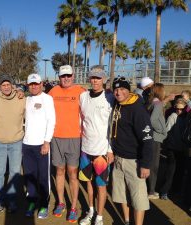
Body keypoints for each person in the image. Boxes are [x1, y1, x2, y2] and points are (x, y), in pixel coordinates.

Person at [110, 77, 153, 225]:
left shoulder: (137, 109)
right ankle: (127, 221)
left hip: (134, 161)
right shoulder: (117, 104)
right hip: (118, 158)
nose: (118, 92)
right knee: (121, 194)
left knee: (138, 198)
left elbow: (147, 139)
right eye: (116, 89)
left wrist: (146, 164)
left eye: (122, 89)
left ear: (129, 90)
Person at [48, 65, 85, 223]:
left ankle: (73, 207)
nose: (66, 78)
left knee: (72, 174)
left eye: (68, 75)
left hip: (74, 138)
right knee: (59, 171)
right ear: (59, 77)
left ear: (73, 75)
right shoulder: (53, 92)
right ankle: (61, 203)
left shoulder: (81, 92)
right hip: (56, 138)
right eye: (63, 76)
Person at [78, 66, 114, 225]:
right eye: (93, 77)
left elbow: (114, 127)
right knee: (88, 183)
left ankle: (99, 217)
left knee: (101, 185)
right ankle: (90, 211)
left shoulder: (110, 97)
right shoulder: (83, 96)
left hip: (102, 150)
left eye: (98, 78)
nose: (95, 81)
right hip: (85, 149)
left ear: (104, 79)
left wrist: (110, 149)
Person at [0, 74, 26, 213]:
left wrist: (21, 92)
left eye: (8, 84)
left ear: (12, 86)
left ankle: (11, 200)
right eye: (3, 85)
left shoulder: (21, 99)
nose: (6, 87)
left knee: (14, 173)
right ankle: (1, 199)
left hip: (16, 142)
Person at [23, 74, 55, 219]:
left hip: (42, 145)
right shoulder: (26, 99)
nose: (34, 86)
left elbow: (51, 121)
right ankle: (31, 202)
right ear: (27, 85)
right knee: (29, 176)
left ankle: (44, 204)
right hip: (27, 144)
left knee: (43, 177)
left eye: (36, 83)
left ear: (41, 84)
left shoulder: (47, 99)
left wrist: (47, 141)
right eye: (31, 84)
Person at [160, 98, 188, 200]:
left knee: (180, 171)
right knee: (171, 170)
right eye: (177, 108)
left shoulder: (186, 117)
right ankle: (164, 191)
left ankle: (176, 190)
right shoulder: (172, 116)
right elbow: (166, 130)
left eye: (181, 109)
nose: (179, 111)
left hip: (182, 148)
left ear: (185, 108)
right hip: (173, 147)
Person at [146, 83, 167, 199]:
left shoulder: (150, 103)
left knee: (149, 163)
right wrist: (161, 130)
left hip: (149, 136)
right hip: (155, 137)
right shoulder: (158, 103)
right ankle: (151, 191)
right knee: (154, 165)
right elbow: (153, 120)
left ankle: (150, 189)